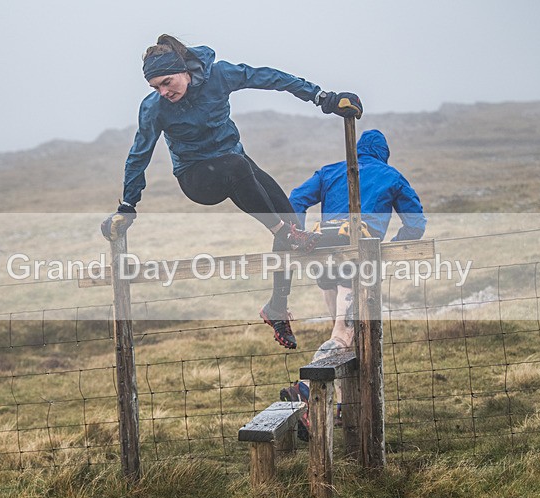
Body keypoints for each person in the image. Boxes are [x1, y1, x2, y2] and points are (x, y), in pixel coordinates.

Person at [101, 34, 363, 350]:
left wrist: (322, 97)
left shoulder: (219, 75)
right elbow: (139, 153)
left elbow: (271, 78)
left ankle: (277, 307)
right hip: (196, 176)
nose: (163, 91)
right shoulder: (155, 108)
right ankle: (287, 235)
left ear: (183, 69)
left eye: (167, 82)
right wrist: (128, 204)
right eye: (155, 87)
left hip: (233, 160)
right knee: (261, 196)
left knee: (289, 215)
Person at [290, 128, 426, 366]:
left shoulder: (329, 171)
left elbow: (296, 199)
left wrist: (298, 237)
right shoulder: (391, 176)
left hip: (323, 243)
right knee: (344, 331)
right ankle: (325, 361)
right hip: (359, 246)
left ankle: (338, 374)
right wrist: (387, 250)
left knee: (335, 301)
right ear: (384, 154)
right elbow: (416, 223)